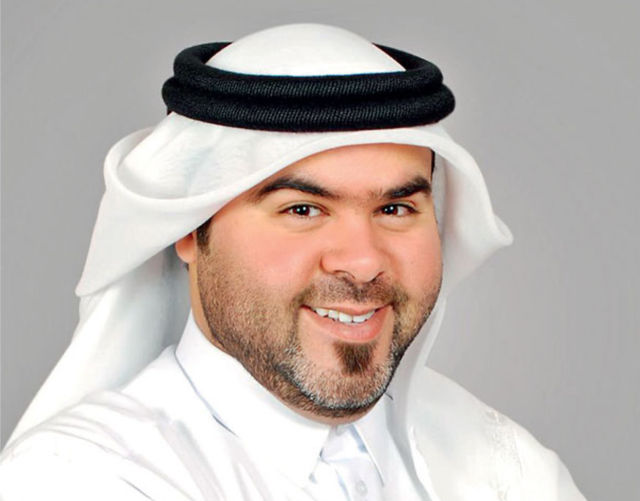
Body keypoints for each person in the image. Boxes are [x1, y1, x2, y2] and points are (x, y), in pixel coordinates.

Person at [0, 24, 586, 500]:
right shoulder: (78, 478)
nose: (362, 263)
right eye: (303, 209)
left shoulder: (507, 470)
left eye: (396, 208)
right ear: (190, 230)